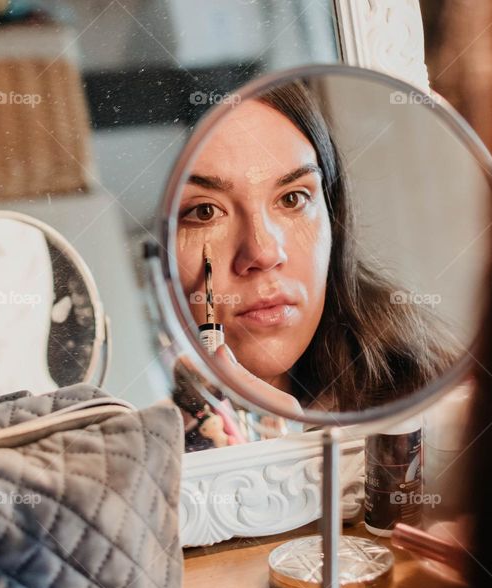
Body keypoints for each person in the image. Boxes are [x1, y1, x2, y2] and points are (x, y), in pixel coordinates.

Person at [176, 81, 459, 414]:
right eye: (205, 212)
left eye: (292, 198)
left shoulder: (429, 394)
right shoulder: (138, 439)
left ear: (332, 214)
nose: (264, 253)